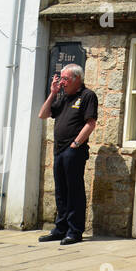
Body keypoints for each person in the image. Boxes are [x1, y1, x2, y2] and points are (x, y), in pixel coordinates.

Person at [37, 63, 98, 245]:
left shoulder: (87, 96)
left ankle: (74, 231)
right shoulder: (62, 96)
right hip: (59, 150)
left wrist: (75, 144)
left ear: (76, 79)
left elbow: (91, 123)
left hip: (74, 151)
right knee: (61, 192)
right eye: (61, 78)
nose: (61, 82)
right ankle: (60, 228)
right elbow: (43, 114)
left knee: (74, 191)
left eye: (65, 79)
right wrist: (53, 93)